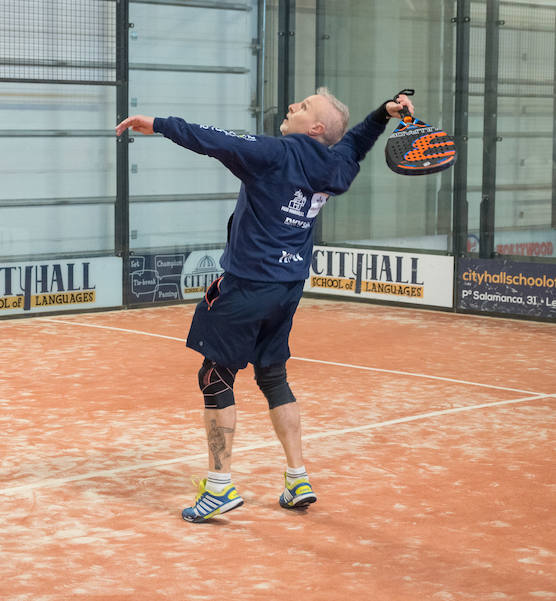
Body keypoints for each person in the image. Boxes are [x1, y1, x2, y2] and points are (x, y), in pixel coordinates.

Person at [115, 88, 415, 522]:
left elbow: (217, 139)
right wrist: (383, 114)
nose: (293, 106)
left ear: (313, 128)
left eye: (304, 106)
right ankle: (298, 479)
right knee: (272, 374)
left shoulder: (275, 153)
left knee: (215, 374)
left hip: (247, 284)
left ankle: (219, 487)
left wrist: (159, 125)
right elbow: (354, 143)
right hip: (288, 286)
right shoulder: (337, 166)